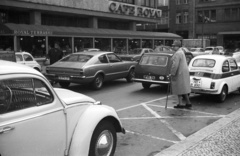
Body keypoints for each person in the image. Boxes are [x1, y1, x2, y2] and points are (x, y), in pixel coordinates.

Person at [170, 40, 192, 109]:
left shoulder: (178, 53)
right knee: (183, 89)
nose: (173, 47)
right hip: (183, 73)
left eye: (174, 46)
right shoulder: (181, 52)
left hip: (179, 73)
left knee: (179, 88)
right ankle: (187, 103)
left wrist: (172, 73)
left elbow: (175, 65)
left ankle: (181, 103)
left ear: (178, 46)